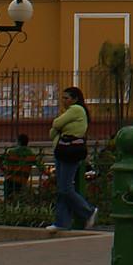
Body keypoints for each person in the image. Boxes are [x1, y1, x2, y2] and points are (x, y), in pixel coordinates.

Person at [47, 85, 96, 231]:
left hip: (69, 151)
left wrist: (60, 127)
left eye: (66, 98)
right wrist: (59, 128)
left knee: (66, 188)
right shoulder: (70, 111)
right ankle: (61, 222)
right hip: (62, 150)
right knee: (62, 189)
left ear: (75, 99)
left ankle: (88, 211)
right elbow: (52, 132)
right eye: (62, 97)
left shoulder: (76, 109)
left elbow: (56, 124)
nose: (63, 100)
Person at [0, 134, 39, 201]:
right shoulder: (31, 154)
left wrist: (4, 170)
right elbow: (41, 167)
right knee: (19, 201)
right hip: (21, 182)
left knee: (8, 201)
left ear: (18, 142)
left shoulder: (11, 152)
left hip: (10, 180)